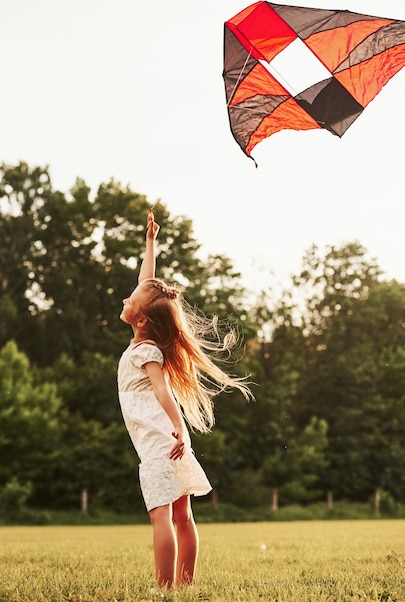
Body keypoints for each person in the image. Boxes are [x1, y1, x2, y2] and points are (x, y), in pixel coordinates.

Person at [117, 210, 252, 590]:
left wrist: (177, 429)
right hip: (170, 441)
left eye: (132, 299)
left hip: (162, 443)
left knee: (162, 516)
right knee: (182, 515)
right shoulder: (145, 339)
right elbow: (147, 282)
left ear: (140, 319)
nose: (128, 296)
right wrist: (150, 243)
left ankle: (164, 590)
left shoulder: (146, 352)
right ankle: (184, 587)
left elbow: (162, 392)